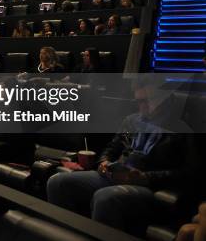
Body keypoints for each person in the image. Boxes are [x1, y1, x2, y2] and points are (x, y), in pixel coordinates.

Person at [47, 79, 199, 236]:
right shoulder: (131, 121)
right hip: (115, 173)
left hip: (146, 185)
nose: (142, 106)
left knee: (106, 198)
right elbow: (111, 148)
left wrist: (146, 178)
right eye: (139, 101)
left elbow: (188, 174)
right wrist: (104, 162)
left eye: (147, 101)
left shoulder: (183, 130)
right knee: (58, 182)